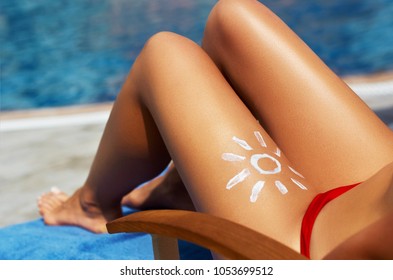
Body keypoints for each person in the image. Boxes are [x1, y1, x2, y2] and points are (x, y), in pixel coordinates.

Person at [37, 0, 393, 259]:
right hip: (372, 187)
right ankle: (179, 187)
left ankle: (90, 204)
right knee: (233, 19)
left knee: (167, 55)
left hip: (304, 248)